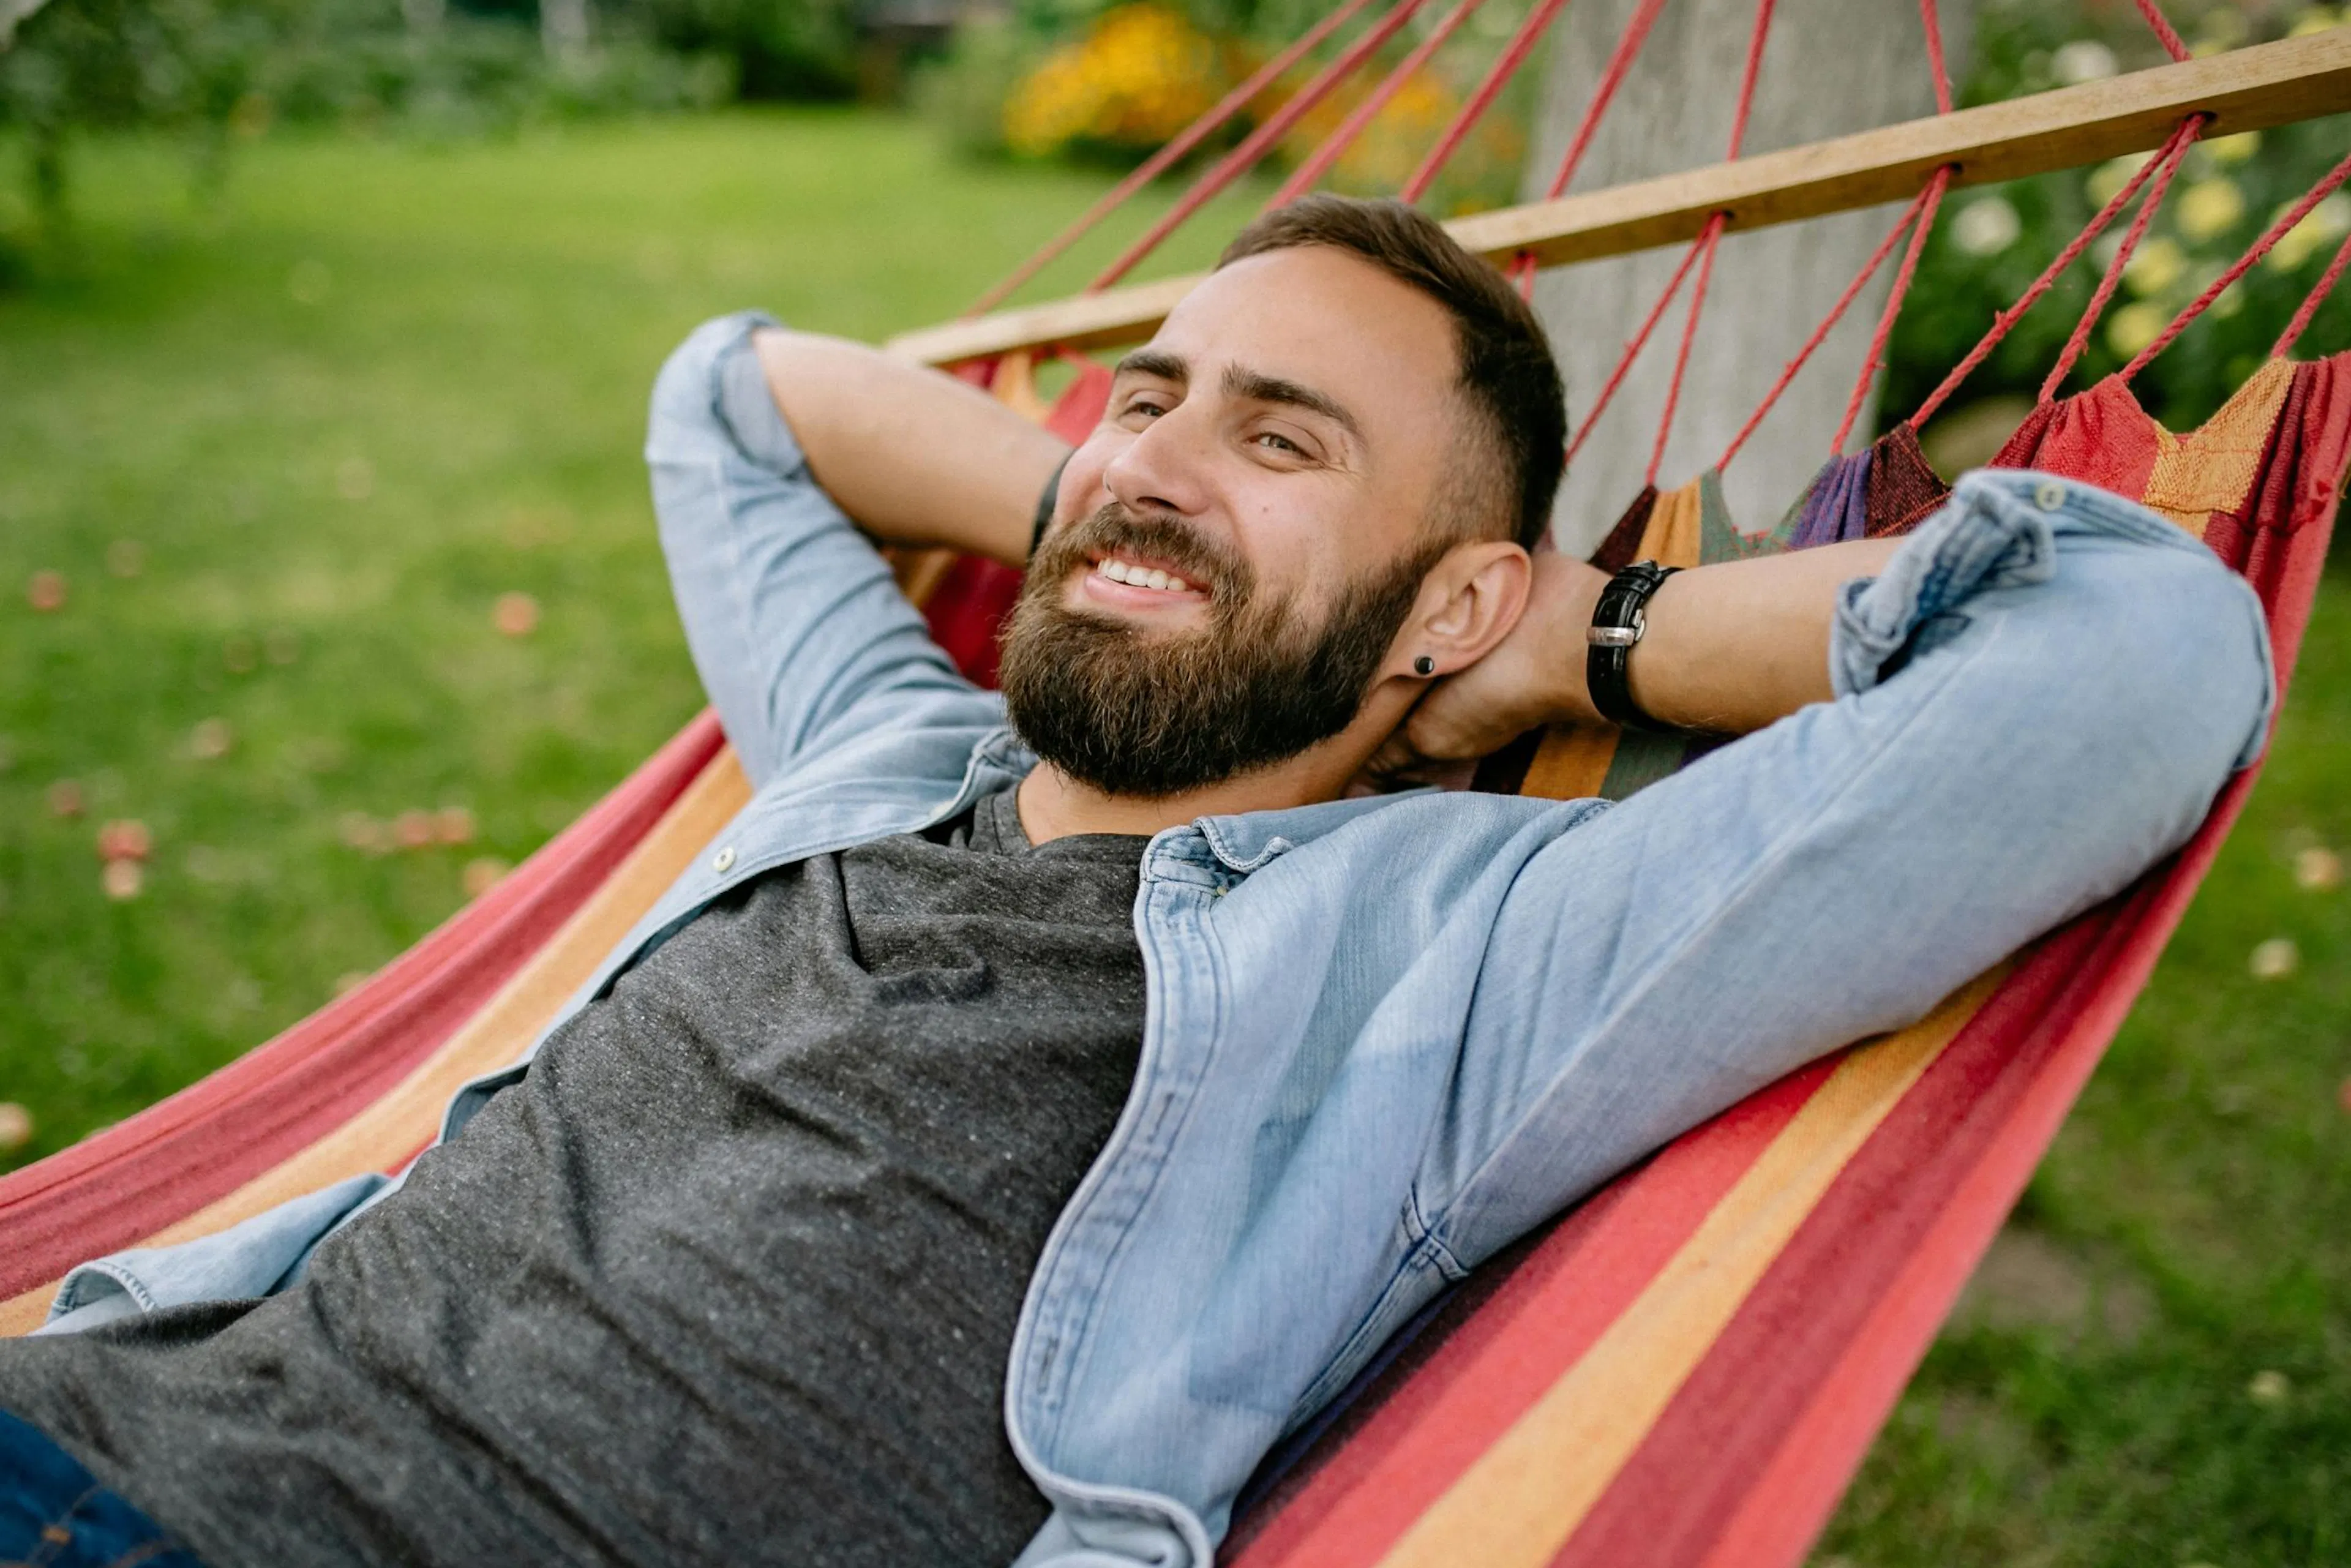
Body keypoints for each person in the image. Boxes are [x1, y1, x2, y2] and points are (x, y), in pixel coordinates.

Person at [0, 195, 2272, 1568]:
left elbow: (2147, 654)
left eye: (1285, 437)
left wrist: (1559, 641)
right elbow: (735, 391)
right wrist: (1157, 514)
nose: (1156, 455)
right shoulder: (883, 752)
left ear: (1456, 596)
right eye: (1142, 392)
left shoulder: (1449, 969)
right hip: (99, 1430)